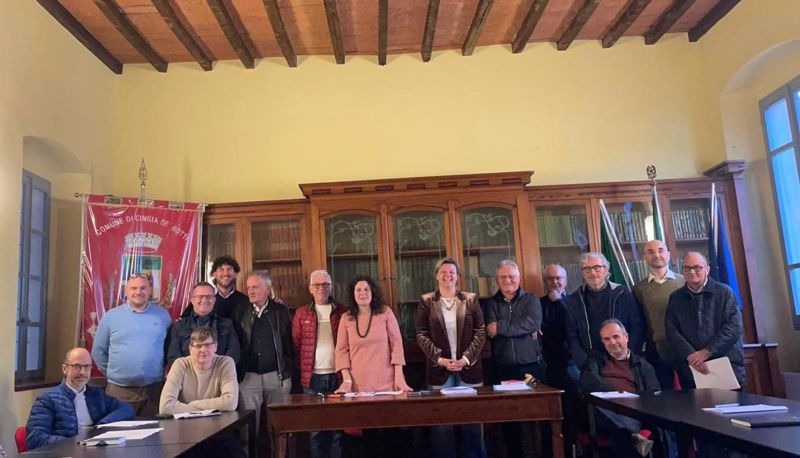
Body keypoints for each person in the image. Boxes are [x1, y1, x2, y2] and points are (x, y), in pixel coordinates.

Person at [416, 257, 487, 458]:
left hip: (468, 370)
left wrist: (466, 359)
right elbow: (421, 334)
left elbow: (480, 332)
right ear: (436, 276)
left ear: (458, 277)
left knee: (473, 425)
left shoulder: (470, 299)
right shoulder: (427, 301)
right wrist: (440, 359)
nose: (448, 275)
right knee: (442, 427)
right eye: (443, 272)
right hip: (440, 371)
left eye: (452, 272)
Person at [335, 275, 411, 457]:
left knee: (390, 435)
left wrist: (399, 376)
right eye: (358, 290)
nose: (363, 293)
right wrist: (346, 380)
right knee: (367, 438)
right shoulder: (346, 318)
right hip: (360, 385)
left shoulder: (385, 313)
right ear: (353, 294)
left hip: (386, 384)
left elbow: (397, 344)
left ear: (373, 292)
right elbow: (341, 350)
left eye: (366, 289)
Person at [482, 259, 544, 458]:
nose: (508, 280)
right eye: (503, 277)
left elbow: (532, 323)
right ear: (497, 280)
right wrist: (521, 328)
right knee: (509, 418)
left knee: (539, 413)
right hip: (503, 368)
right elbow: (490, 331)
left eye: (512, 276)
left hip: (530, 368)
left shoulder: (531, 299)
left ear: (519, 278)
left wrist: (501, 327)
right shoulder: (490, 303)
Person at [91, 273, 172, 415]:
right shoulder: (111, 317)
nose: (138, 292)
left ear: (150, 290)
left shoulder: (163, 315)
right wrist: (114, 374)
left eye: (143, 288)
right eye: (134, 288)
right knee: (117, 429)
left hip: (155, 391)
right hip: (119, 391)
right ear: (126, 291)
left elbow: (168, 348)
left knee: (155, 429)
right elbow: (98, 352)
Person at [665, 251, 746, 390]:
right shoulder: (676, 298)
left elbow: (733, 328)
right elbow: (672, 330)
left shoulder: (725, 293)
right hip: (692, 368)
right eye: (687, 268)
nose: (692, 272)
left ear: (707, 269)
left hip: (725, 365)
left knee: (731, 403)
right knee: (696, 404)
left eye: (697, 267)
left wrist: (707, 352)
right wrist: (691, 355)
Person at [580, 319, 659, 457]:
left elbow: (654, 394)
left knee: (621, 436)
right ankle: (634, 435)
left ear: (626, 337)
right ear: (603, 342)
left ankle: (632, 436)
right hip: (604, 410)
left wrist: (632, 402)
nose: (612, 342)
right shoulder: (595, 360)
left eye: (616, 336)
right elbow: (588, 381)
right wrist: (616, 395)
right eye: (607, 339)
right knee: (602, 407)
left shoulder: (643, 365)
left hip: (633, 409)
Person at [26, 347, 133, 450]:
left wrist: (102, 425)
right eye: (77, 366)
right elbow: (35, 438)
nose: (82, 372)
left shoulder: (97, 395)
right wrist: (75, 443)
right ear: (65, 369)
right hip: (64, 452)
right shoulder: (47, 400)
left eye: (87, 367)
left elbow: (126, 409)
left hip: (94, 452)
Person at [160, 326, 242, 458]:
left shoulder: (225, 363)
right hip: (185, 431)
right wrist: (203, 410)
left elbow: (230, 402)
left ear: (215, 346)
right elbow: (165, 406)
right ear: (190, 348)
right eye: (198, 346)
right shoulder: (180, 365)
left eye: (208, 345)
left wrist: (192, 405)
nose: (203, 350)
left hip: (217, 429)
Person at [292, 269, 347, 458]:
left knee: (338, 430)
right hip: (312, 378)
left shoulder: (342, 312)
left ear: (331, 287)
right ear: (310, 288)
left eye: (325, 284)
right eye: (317, 285)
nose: (321, 288)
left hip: (338, 377)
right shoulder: (301, 313)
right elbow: (296, 344)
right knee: (315, 430)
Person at [231, 270, 293, 434]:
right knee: (248, 429)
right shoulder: (240, 311)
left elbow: (289, 342)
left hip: (277, 376)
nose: (250, 291)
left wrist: (288, 369)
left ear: (268, 289)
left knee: (279, 427)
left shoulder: (281, 311)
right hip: (248, 377)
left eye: (255, 287)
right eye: (248, 288)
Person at [565, 252, 643, 372]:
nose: (593, 273)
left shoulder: (622, 293)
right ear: (582, 273)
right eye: (587, 269)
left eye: (597, 268)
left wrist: (628, 356)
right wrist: (584, 362)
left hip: (623, 360)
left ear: (606, 269)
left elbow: (636, 327)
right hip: (590, 363)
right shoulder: (574, 299)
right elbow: (571, 335)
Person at [632, 240, 685, 390]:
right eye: (651, 252)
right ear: (644, 257)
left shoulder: (684, 282)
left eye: (661, 250)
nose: (657, 255)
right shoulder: (639, 289)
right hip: (656, 351)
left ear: (668, 254)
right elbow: (639, 323)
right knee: (664, 396)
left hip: (686, 349)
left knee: (692, 393)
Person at [167, 281, 240, 365]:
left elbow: (234, 354)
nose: (204, 300)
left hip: (219, 372)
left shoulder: (227, 325)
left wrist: (216, 370)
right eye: (200, 297)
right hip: (187, 373)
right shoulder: (178, 327)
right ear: (192, 300)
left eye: (208, 297)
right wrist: (194, 371)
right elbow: (173, 357)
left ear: (214, 300)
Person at [182, 255, 249, 319]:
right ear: (214, 274)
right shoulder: (202, 299)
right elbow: (185, 321)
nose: (225, 273)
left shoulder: (244, 300)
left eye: (229, 269)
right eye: (221, 269)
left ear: (235, 274)